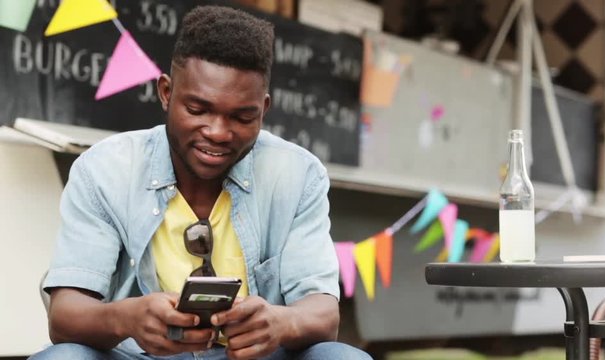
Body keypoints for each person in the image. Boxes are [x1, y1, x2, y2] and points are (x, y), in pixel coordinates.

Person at [30, 5, 371, 360]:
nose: (218, 132)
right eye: (197, 110)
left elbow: (323, 314)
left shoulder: (298, 175)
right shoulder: (105, 170)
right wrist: (128, 318)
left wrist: (280, 322)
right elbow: (65, 316)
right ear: (165, 92)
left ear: (264, 110)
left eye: (242, 116)